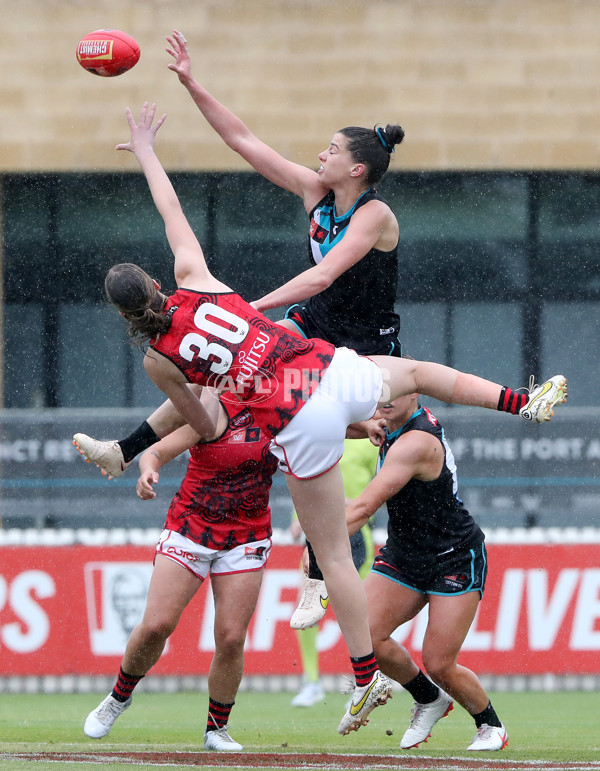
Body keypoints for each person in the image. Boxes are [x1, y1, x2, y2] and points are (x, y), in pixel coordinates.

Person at [75, 101, 566, 737]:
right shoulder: (200, 277)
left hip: (297, 397)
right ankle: (519, 402)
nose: (319, 154)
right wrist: (149, 150)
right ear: (161, 284)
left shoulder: (161, 360)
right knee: (416, 378)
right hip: (323, 362)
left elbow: (202, 417)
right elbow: (179, 209)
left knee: (332, 547)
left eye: (333, 148)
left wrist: (202, 403)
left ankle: (360, 671)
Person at [165, 29, 404, 357]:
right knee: (226, 360)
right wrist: (191, 84)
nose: (322, 155)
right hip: (315, 322)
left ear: (356, 170)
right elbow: (243, 140)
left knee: (376, 408)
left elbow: (322, 277)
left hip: (366, 342)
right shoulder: (315, 190)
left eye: (332, 151)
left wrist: (255, 307)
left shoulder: (375, 214)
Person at [84, 402, 278, 752]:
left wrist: (368, 425)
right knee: (157, 625)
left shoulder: (281, 414)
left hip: (248, 534)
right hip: (191, 527)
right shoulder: (211, 413)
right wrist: (147, 472)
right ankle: (118, 697)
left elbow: (332, 427)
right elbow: (154, 452)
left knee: (232, 638)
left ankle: (216, 728)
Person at [345, 392, 508, 752]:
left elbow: (363, 508)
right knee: (365, 637)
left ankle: (490, 725)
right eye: (379, 395)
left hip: (453, 555)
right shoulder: (390, 423)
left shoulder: (416, 442)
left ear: (415, 393)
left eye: (393, 395)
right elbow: (334, 423)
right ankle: (429, 699)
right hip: (404, 554)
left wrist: (318, 549)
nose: (383, 402)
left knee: (438, 662)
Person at [290, 437, 377, 708]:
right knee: (305, 608)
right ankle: (312, 681)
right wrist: (296, 519)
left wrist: (348, 503)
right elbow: (304, 484)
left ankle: (365, 681)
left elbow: (385, 490)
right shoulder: (317, 437)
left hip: (356, 534)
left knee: (360, 613)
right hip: (318, 531)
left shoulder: (370, 442)